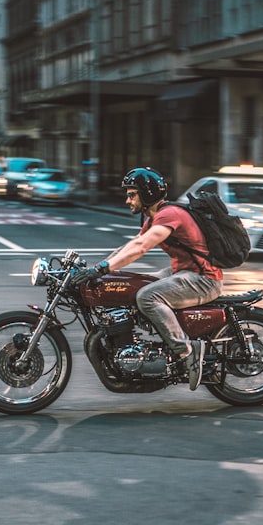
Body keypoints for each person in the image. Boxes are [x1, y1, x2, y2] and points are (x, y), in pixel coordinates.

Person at [70, 167, 223, 391]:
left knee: (147, 296)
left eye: (132, 194)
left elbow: (141, 247)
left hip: (203, 279)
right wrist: (100, 268)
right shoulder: (153, 217)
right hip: (184, 273)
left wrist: (103, 268)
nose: (127, 200)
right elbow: (129, 246)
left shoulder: (168, 215)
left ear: (147, 194)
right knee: (137, 284)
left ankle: (187, 352)